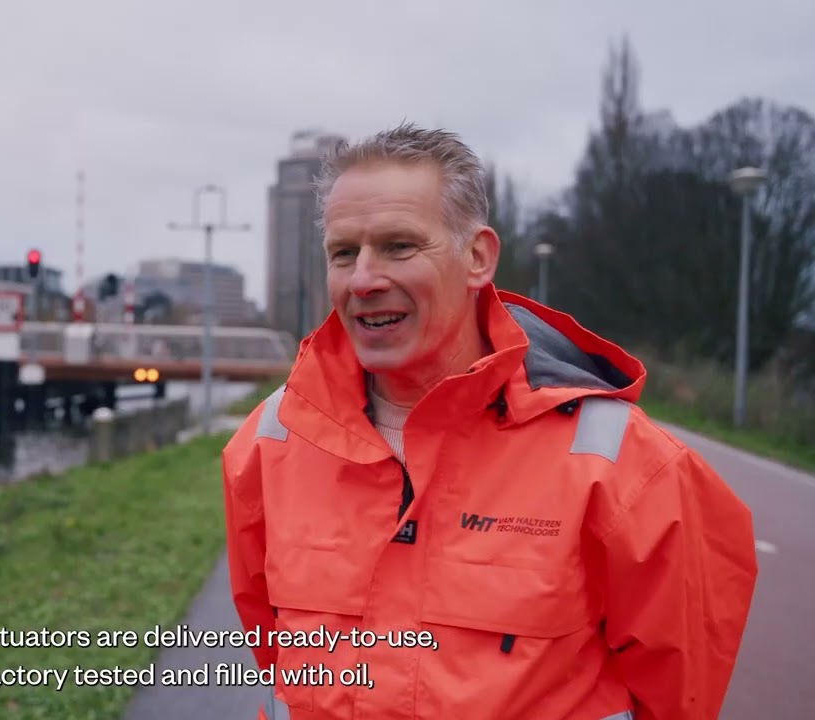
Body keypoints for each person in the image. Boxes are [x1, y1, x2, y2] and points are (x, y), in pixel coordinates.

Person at [221, 123, 758, 720]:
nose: (364, 279)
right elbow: (273, 649)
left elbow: (678, 691)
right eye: (344, 253)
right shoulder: (272, 442)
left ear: (477, 257)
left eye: (399, 246)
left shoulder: (621, 464)